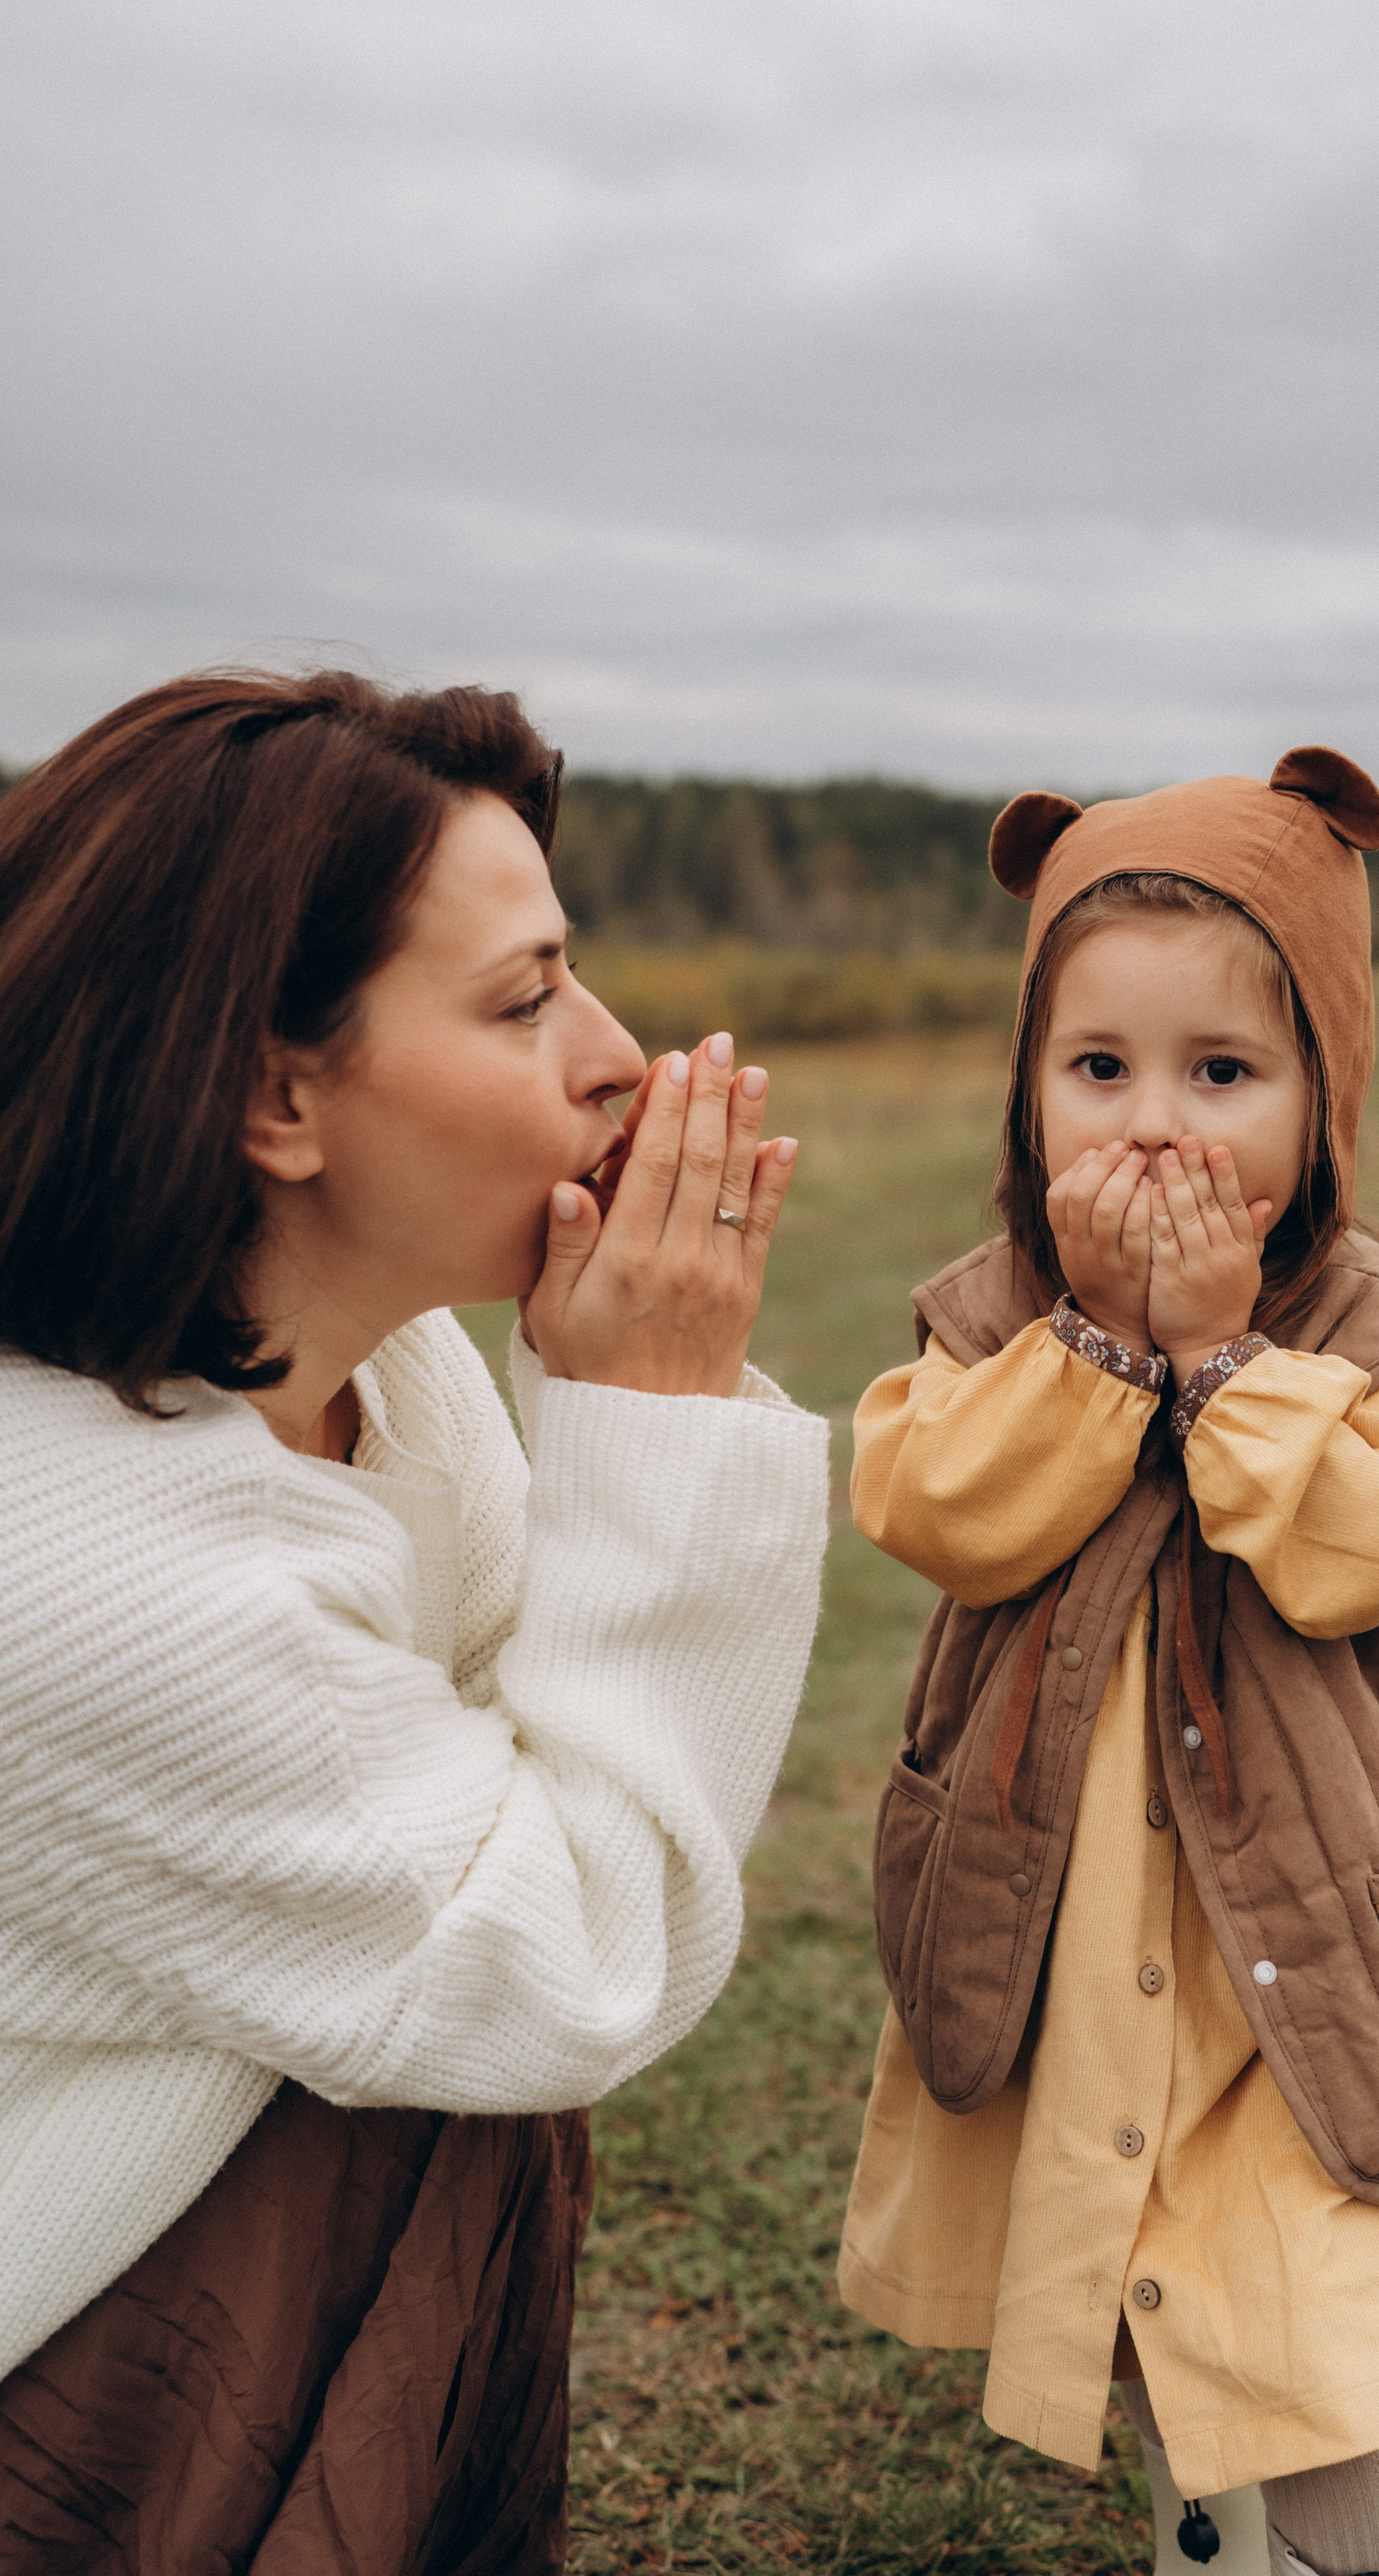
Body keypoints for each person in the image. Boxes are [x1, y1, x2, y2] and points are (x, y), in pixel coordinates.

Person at [0, 669, 829, 2573]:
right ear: (271, 1092)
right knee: (454, 2073)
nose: (619, 1057)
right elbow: (577, 1950)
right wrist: (657, 1416)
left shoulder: (388, 1373)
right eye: (527, 1000)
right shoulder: (103, 1573)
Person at [837, 749, 1379, 2576]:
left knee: (1314, 2334)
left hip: (1314, 1963)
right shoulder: (991, 1324)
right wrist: (1092, 1352)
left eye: (1223, 1074)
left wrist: (1222, 1359)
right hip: (1084, 1943)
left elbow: (1361, 1551)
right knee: (1160, 2313)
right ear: (1029, 1093)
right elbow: (931, 1501)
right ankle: (1206, 2540)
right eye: (1100, 1071)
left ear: (1328, 1097)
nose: (1155, 1130)